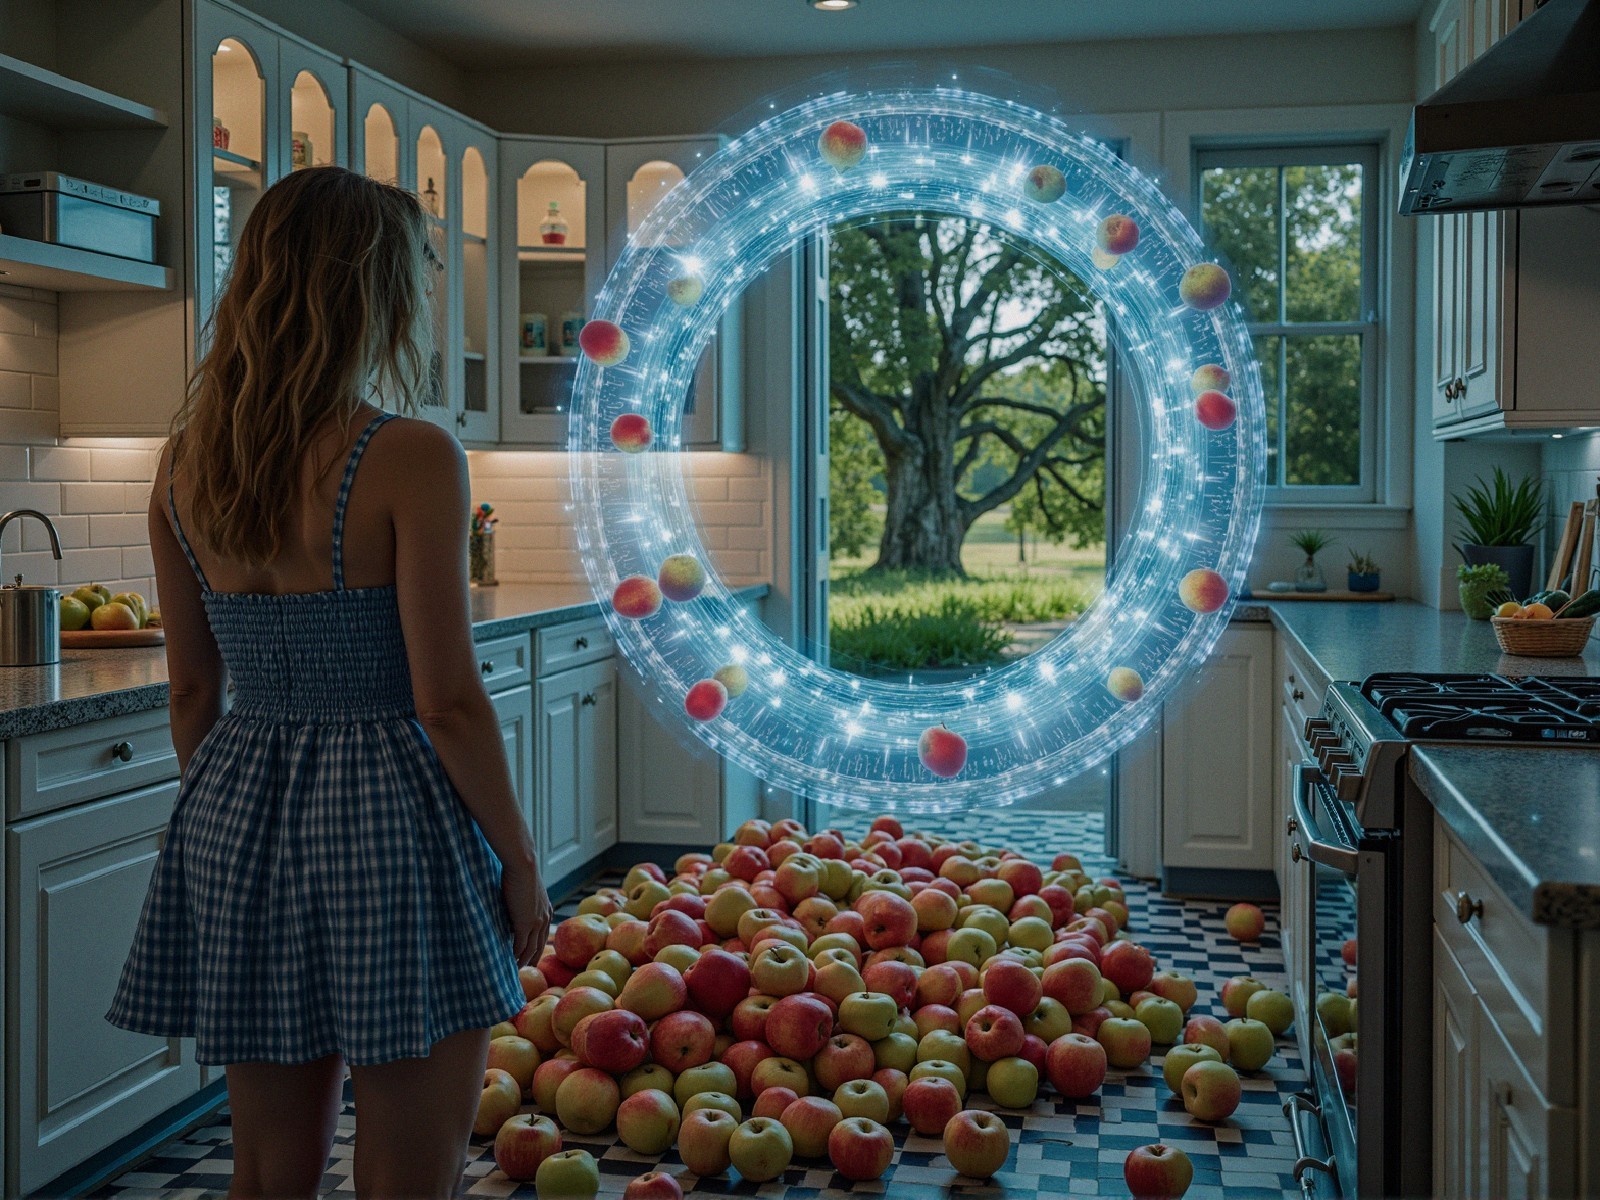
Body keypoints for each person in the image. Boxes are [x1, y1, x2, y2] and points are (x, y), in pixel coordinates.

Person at [107, 165, 551, 1200]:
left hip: (234, 813)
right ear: (372, 294)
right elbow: (445, 699)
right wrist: (519, 858)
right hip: (387, 823)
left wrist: (229, 808)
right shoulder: (406, 455)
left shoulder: (183, 467)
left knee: (265, 1167)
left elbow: (190, 693)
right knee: (409, 1169)